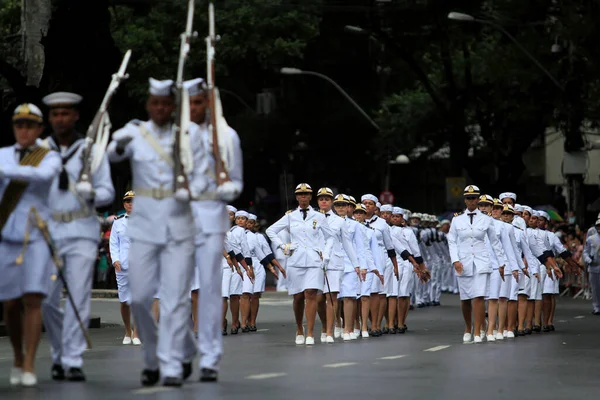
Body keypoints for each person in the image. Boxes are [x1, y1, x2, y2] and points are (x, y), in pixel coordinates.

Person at [107, 78, 208, 387]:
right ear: (150, 106)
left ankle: (164, 361)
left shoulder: (188, 138)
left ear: (173, 108)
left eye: (167, 104)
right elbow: (112, 154)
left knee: (174, 298)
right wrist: (119, 140)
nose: (161, 108)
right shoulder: (137, 134)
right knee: (139, 298)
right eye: (156, 103)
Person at [40, 92, 115, 382]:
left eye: (66, 113)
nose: (61, 118)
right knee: (46, 299)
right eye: (56, 113)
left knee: (78, 298)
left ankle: (71, 359)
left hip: (82, 231)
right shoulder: (39, 151)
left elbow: (108, 191)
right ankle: (59, 351)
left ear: (76, 116)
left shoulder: (91, 150)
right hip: (48, 233)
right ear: (50, 118)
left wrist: (92, 194)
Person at [183, 78, 243, 382]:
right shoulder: (174, 136)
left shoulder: (226, 136)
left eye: (198, 102)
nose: (193, 108)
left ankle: (208, 358)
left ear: (209, 103)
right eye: (189, 102)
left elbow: (236, 185)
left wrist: (221, 178)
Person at [0, 103, 61, 386]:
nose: (23, 130)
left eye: (29, 125)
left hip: (36, 235)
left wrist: (8, 170)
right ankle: (16, 355)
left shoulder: (48, 157)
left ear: (39, 129)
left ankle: (29, 363)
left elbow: (43, 176)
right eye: (19, 125)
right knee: (11, 304)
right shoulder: (3, 155)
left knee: (33, 298)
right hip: (8, 236)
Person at [266, 183, 333, 345]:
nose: (303, 197)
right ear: (296, 197)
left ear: (310, 197)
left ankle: (310, 332)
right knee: (297, 297)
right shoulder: (290, 216)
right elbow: (270, 231)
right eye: (300, 195)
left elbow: (330, 237)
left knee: (311, 293)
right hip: (295, 260)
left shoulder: (319, 216)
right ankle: (299, 328)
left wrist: (326, 253)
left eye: (306, 194)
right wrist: (283, 246)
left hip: (314, 259)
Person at [447, 185, 507, 344]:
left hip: (481, 261)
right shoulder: (457, 219)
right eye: (468, 198)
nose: (471, 201)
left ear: (478, 199)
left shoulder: (486, 219)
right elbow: (452, 241)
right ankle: (468, 328)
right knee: (465, 299)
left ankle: (480, 330)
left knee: (479, 296)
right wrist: (455, 260)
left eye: (474, 198)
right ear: (465, 200)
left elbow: (495, 243)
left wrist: (501, 263)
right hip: (463, 262)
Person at [109, 191, 141, 345]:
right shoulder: (118, 222)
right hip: (123, 266)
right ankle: (128, 330)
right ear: (124, 204)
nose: (130, 204)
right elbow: (114, 243)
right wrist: (115, 259)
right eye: (127, 201)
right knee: (124, 301)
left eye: (133, 201)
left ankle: (137, 332)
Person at [583, 219, 600, 315]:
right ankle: (596, 307)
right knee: (595, 288)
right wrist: (588, 259)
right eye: (598, 225)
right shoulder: (591, 238)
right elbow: (585, 251)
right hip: (594, 266)